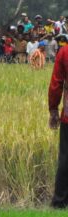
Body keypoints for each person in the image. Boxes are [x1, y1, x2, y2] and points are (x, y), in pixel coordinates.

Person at [49, 40, 68, 208]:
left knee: (66, 157)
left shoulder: (64, 52)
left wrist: (53, 109)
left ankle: (60, 201)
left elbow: (56, 83)